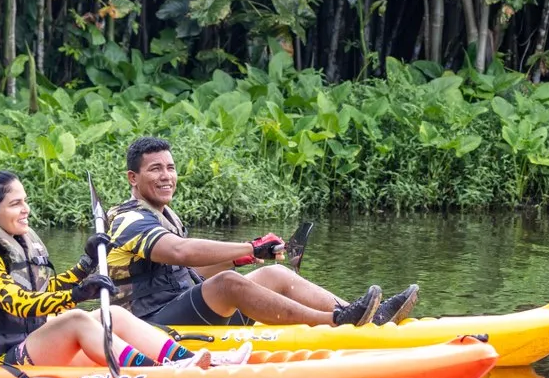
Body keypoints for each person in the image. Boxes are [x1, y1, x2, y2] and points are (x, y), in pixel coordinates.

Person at [94, 136, 420, 328]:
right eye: (155, 169)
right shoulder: (128, 219)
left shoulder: (165, 214)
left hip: (180, 307)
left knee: (274, 274)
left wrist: (247, 257)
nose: (167, 176)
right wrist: (248, 246)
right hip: (147, 324)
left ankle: (368, 317)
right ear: (133, 178)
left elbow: (188, 273)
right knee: (227, 284)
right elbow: (181, 252)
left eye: (170, 167)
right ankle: (336, 321)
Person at [0, 170, 239, 369]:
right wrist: (77, 296)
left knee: (113, 313)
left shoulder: (16, 242)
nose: (26, 209)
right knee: (76, 319)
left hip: (29, 343)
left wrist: (86, 265)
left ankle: (191, 360)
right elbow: (20, 303)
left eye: (25, 201)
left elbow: (45, 290)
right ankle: (154, 372)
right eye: (16, 204)